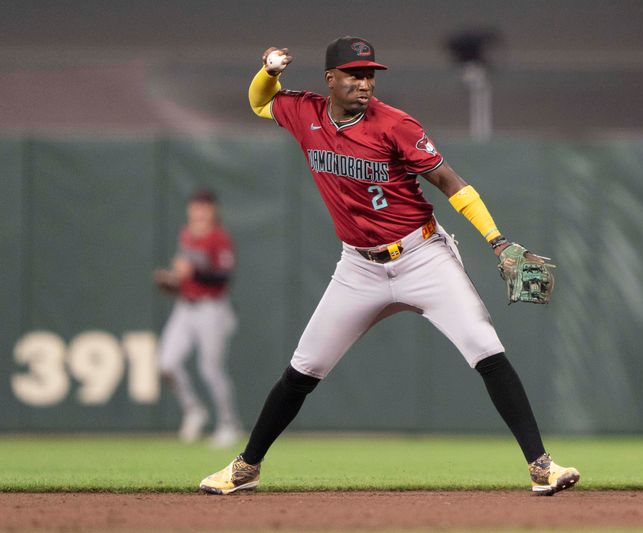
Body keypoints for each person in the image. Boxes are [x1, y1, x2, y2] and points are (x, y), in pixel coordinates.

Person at [200, 36, 579, 494]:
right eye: (355, 74)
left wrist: (497, 241)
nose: (365, 82)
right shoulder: (305, 113)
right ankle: (246, 467)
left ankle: (541, 466)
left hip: (422, 256)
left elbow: (448, 180)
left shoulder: (395, 124)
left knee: (487, 350)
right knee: (303, 369)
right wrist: (270, 72)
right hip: (358, 268)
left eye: (370, 75)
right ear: (330, 79)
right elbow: (260, 103)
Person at [154, 189, 242, 448]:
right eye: (195, 206)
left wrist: (193, 272)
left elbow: (223, 278)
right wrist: (172, 280)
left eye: (204, 206)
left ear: (213, 210)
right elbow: (185, 277)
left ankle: (229, 424)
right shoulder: (187, 235)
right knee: (166, 364)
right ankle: (193, 410)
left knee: (210, 369)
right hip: (185, 307)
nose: (199, 211)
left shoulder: (219, 238)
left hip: (211, 309)